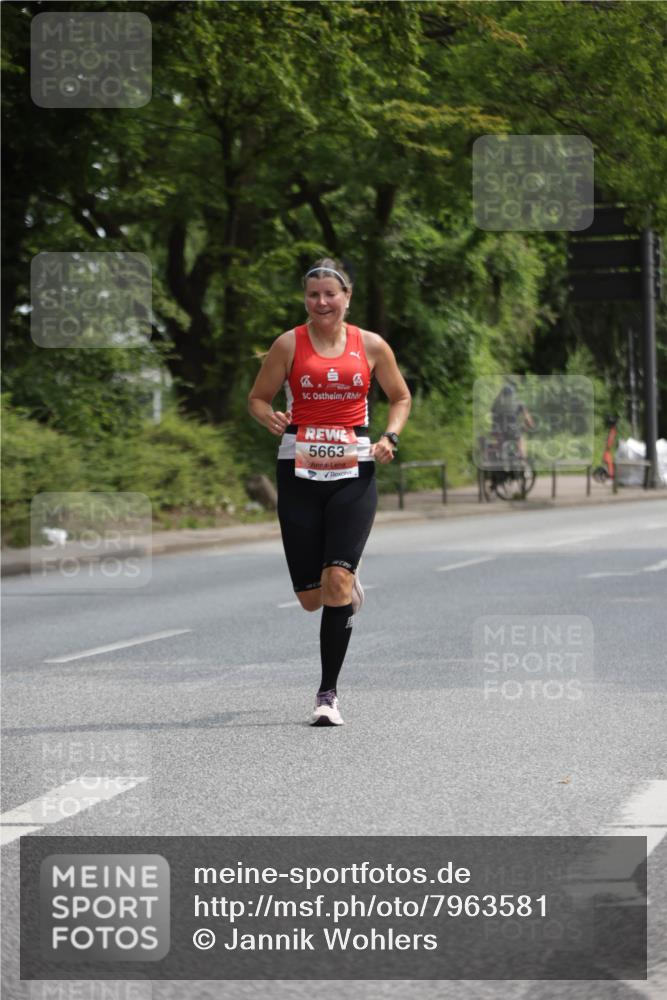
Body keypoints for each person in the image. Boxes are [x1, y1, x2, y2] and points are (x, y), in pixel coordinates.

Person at [248, 258, 411, 726]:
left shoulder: (371, 345)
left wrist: (390, 436)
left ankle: (327, 695)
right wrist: (269, 416)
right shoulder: (288, 344)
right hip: (298, 472)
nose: (321, 302)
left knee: (335, 581)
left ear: (347, 297)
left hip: (354, 471)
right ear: (306, 300)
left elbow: (400, 397)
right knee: (311, 598)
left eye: (329, 294)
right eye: (313, 295)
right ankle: (343, 581)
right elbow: (257, 398)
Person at [490, 379, 534, 461]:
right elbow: (527, 418)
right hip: (513, 430)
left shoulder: (496, 404)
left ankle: (493, 452)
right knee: (520, 440)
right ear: (513, 394)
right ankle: (522, 456)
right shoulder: (519, 403)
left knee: (499, 443)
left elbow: (493, 416)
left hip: (498, 430)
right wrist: (530, 426)